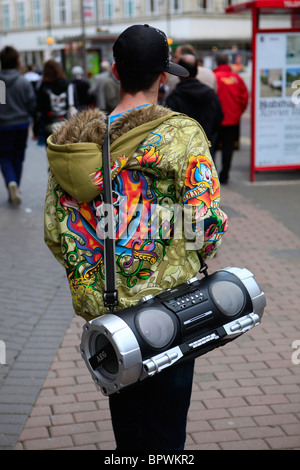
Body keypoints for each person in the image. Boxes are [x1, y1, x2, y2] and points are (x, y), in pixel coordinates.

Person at [44, 24, 228, 450]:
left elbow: (56, 233)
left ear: (114, 72)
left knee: (129, 435)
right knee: (166, 433)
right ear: (163, 77)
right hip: (174, 307)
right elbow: (206, 224)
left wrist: (91, 274)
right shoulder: (182, 135)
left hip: (108, 316)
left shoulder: (71, 147)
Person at [166, 54, 223, 155]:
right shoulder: (210, 93)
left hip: (182, 151)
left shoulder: (174, 97)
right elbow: (219, 117)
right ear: (196, 70)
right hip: (206, 147)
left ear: (180, 74)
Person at [0, 46, 36, 205]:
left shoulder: (1, 84)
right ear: (16, 62)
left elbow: (1, 103)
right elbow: (31, 104)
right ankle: (17, 187)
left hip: (4, 125)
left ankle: (11, 182)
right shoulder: (23, 81)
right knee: (18, 157)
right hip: (21, 124)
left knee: (4, 156)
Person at [213, 52, 249, 184]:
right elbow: (244, 99)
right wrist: (238, 113)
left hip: (216, 121)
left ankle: (212, 175)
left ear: (217, 63)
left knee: (213, 148)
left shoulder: (214, 77)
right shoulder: (237, 78)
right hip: (232, 120)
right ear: (227, 62)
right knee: (228, 149)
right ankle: (225, 175)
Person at [35, 59, 71, 146]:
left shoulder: (43, 87)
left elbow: (39, 109)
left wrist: (36, 129)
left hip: (49, 125)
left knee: (51, 151)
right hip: (67, 124)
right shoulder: (67, 85)